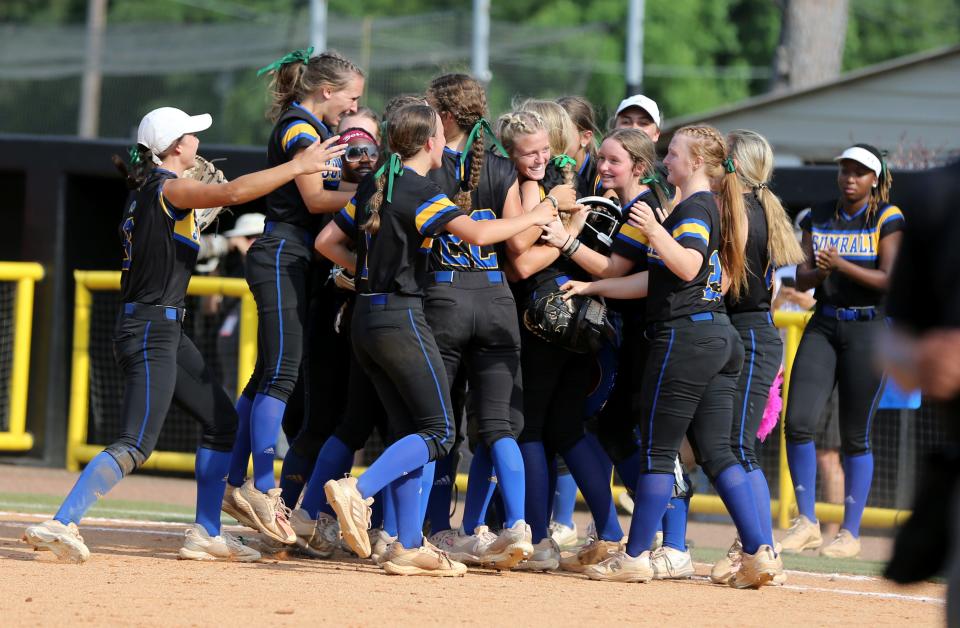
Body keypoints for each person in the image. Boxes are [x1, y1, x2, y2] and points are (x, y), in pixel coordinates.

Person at [21, 106, 344, 563]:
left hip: (165, 327)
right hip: (151, 328)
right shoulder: (165, 186)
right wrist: (297, 166)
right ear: (176, 146)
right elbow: (231, 190)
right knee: (136, 443)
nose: (198, 141)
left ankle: (206, 533)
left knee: (223, 423)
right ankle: (62, 521)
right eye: (191, 134)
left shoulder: (149, 190)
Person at [318, 103, 556, 576]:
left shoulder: (376, 183)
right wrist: (541, 212)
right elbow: (481, 233)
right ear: (430, 143)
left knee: (413, 430)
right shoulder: (417, 188)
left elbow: (326, 242)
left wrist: (369, 275)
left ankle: (407, 545)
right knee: (439, 431)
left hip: (368, 314)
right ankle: (358, 491)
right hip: (401, 318)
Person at [562, 125, 782, 588]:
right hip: (716, 335)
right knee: (719, 452)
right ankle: (760, 552)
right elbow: (661, 280)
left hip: (685, 339)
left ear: (697, 162)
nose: (667, 161)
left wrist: (654, 229)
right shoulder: (704, 207)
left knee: (659, 451)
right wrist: (594, 285)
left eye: (675, 154)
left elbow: (687, 264)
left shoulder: (696, 207)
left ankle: (638, 554)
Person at [224, 48, 365, 545]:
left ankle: (233, 476)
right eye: (350, 97)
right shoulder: (301, 129)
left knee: (268, 372)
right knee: (282, 372)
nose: (352, 107)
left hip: (295, 256)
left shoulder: (315, 128)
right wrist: (381, 193)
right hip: (283, 252)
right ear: (327, 91)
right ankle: (263, 488)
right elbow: (314, 200)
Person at [537, 127, 674, 572]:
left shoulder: (643, 206)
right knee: (611, 429)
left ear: (638, 165)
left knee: (626, 433)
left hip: (640, 335)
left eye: (615, 161)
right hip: (632, 333)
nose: (604, 167)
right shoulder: (634, 202)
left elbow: (617, 269)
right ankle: (636, 534)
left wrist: (566, 241)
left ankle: (667, 535)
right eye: (603, 159)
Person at [496, 108, 626, 573]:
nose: (540, 155)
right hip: (581, 312)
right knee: (568, 428)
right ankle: (609, 533)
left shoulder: (541, 183)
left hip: (545, 316)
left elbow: (521, 262)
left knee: (530, 427)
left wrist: (564, 226)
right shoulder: (580, 177)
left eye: (544, 145)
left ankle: (539, 538)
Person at [418, 73, 538, 568]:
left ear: (445, 116)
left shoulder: (424, 163)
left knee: (433, 423)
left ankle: (429, 530)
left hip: (442, 298)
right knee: (500, 427)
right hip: (494, 299)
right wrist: (545, 206)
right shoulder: (501, 167)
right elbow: (518, 247)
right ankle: (518, 526)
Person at [779, 143, 904, 558]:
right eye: (845, 170)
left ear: (875, 179)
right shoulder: (819, 213)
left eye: (860, 171)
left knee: (855, 435)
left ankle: (850, 532)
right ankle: (807, 522)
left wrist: (842, 265)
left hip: (868, 327)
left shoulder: (886, 216)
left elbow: (889, 279)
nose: (850, 177)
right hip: (826, 321)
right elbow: (801, 276)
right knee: (797, 421)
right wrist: (821, 269)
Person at [706, 129, 805, 584]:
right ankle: (758, 547)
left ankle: (760, 548)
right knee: (734, 446)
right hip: (752, 333)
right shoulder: (756, 206)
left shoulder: (742, 211)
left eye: (721, 156)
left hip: (748, 334)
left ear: (734, 166)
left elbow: (726, 285)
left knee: (735, 447)